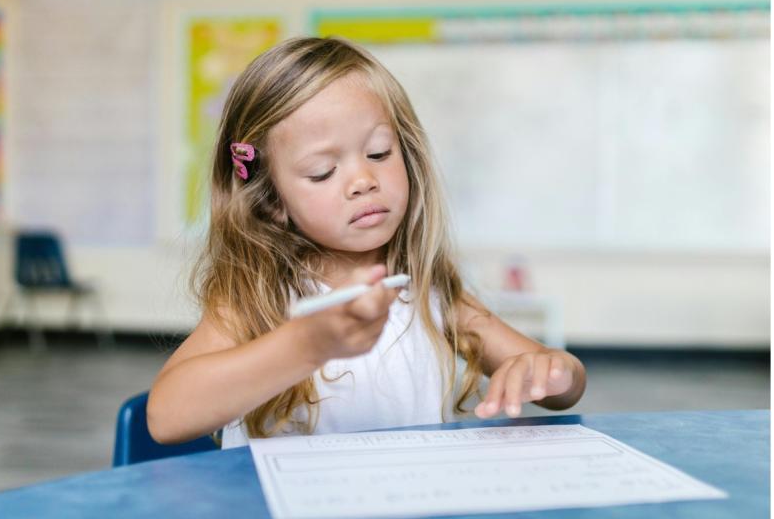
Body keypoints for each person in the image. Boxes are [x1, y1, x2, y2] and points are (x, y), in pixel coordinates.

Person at [147, 36, 586, 449]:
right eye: (322, 171)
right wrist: (303, 346)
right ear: (271, 199)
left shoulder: (429, 291)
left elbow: (564, 386)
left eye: (378, 153)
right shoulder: (258, 299)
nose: (363, 180)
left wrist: (553, 372)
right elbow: (165, 418)